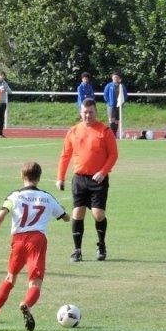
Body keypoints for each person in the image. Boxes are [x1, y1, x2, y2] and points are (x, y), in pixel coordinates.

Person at [0, 161, 69, 331]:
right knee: (35, 283)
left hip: (18, 240)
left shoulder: (14, 196)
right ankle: (26, 304)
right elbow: (65, 217)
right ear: (39, 177)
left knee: (10, 278)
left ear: (22, 176)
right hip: (37, 240)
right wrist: (65, 214)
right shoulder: (47, 197)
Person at [56, 98, 118, 262]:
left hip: (98, 180)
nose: (88, 115)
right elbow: (65, 155)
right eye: (85, 112)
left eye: (91, 112)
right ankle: (77, 250)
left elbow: (113, 155)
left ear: (96, 112)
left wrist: (103, 172)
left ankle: (101, 245)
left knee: (98, 214)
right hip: (79, 179)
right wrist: (60, 177)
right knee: (77, 213)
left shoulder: (105, 131)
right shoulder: (73, 131)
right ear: (80, 112)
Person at [102, 72, 128, 137]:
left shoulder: (121, 86)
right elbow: (105, 94)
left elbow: (125, 95)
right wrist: (109, 102)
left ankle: (115, 133)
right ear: (112, 78)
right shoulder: (109, 85)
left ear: (119, 78)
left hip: (119, 105)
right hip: (111, 105)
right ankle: (111, 134)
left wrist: (122, 102)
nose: (115, 78)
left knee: (117, 120)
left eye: (117, 77)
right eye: (114, 77)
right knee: (111, 119)